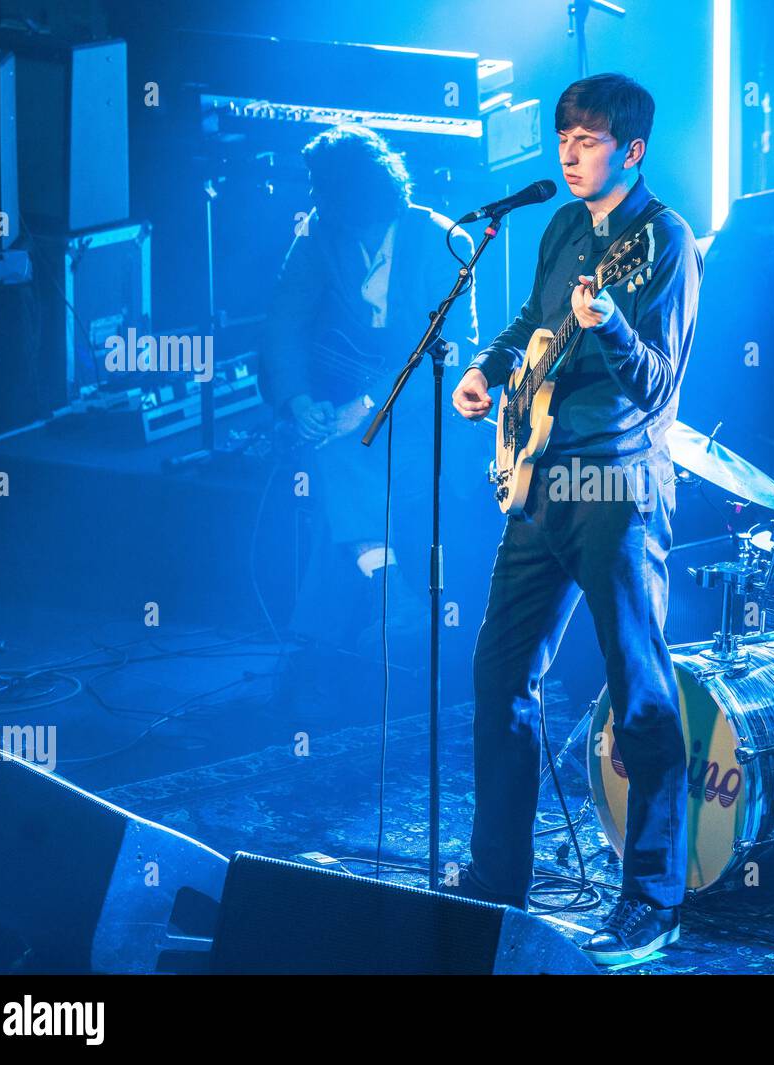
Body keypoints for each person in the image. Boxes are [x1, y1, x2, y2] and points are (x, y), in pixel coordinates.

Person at [450, 73, 703, 964]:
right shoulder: (561, 226)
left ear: (631, 150)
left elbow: (659, 386)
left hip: (620, 486)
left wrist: (610, 325)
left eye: (588, 139)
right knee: (499, 672)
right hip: (539, 478)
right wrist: (489, 368)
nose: (568, 151)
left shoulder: (665, 242)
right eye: (563, 136)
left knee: (638, 690)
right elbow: (530, 320)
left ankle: (653, 897)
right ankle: (496, 877)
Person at [262, 124, 479, 696]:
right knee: (334, 447)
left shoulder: (439, 240)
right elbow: (285, 322)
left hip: (429, 402)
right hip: (355, 404)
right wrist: (298, 399)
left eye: (322, 186)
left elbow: (451, 351)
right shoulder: (317, 237)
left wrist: (367, 403)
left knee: (342, 455)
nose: (314, 198)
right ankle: (393, 601)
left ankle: (340, 628)